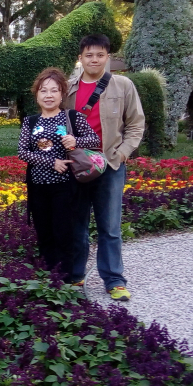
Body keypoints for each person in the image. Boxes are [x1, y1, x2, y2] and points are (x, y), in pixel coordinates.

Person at [64, 34, 145, 302]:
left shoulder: (123, 85)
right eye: (89, 55)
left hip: (109, 164)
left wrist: (123, 153)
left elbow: (136, 123)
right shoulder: (68, 88)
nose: (94, 60)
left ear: (107, 57)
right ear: (80, 58)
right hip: (78, 166)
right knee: (76, 224)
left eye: (100, 55)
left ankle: (114, 280)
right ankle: (76, 275)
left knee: (109, 226)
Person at [19, 68, 102, 275]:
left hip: (66, 187)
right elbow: (22, 152)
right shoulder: (30, 121)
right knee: (44, 232)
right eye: (43, 91)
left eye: (54, 90)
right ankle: (49, 276)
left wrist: (75, 140)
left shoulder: (72, 117)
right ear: (37, 95)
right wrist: (51, 162)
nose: (48, 95)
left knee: (64, 232)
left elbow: (94, 140)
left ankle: (66, 278)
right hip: (38, 187)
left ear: (62, 94)